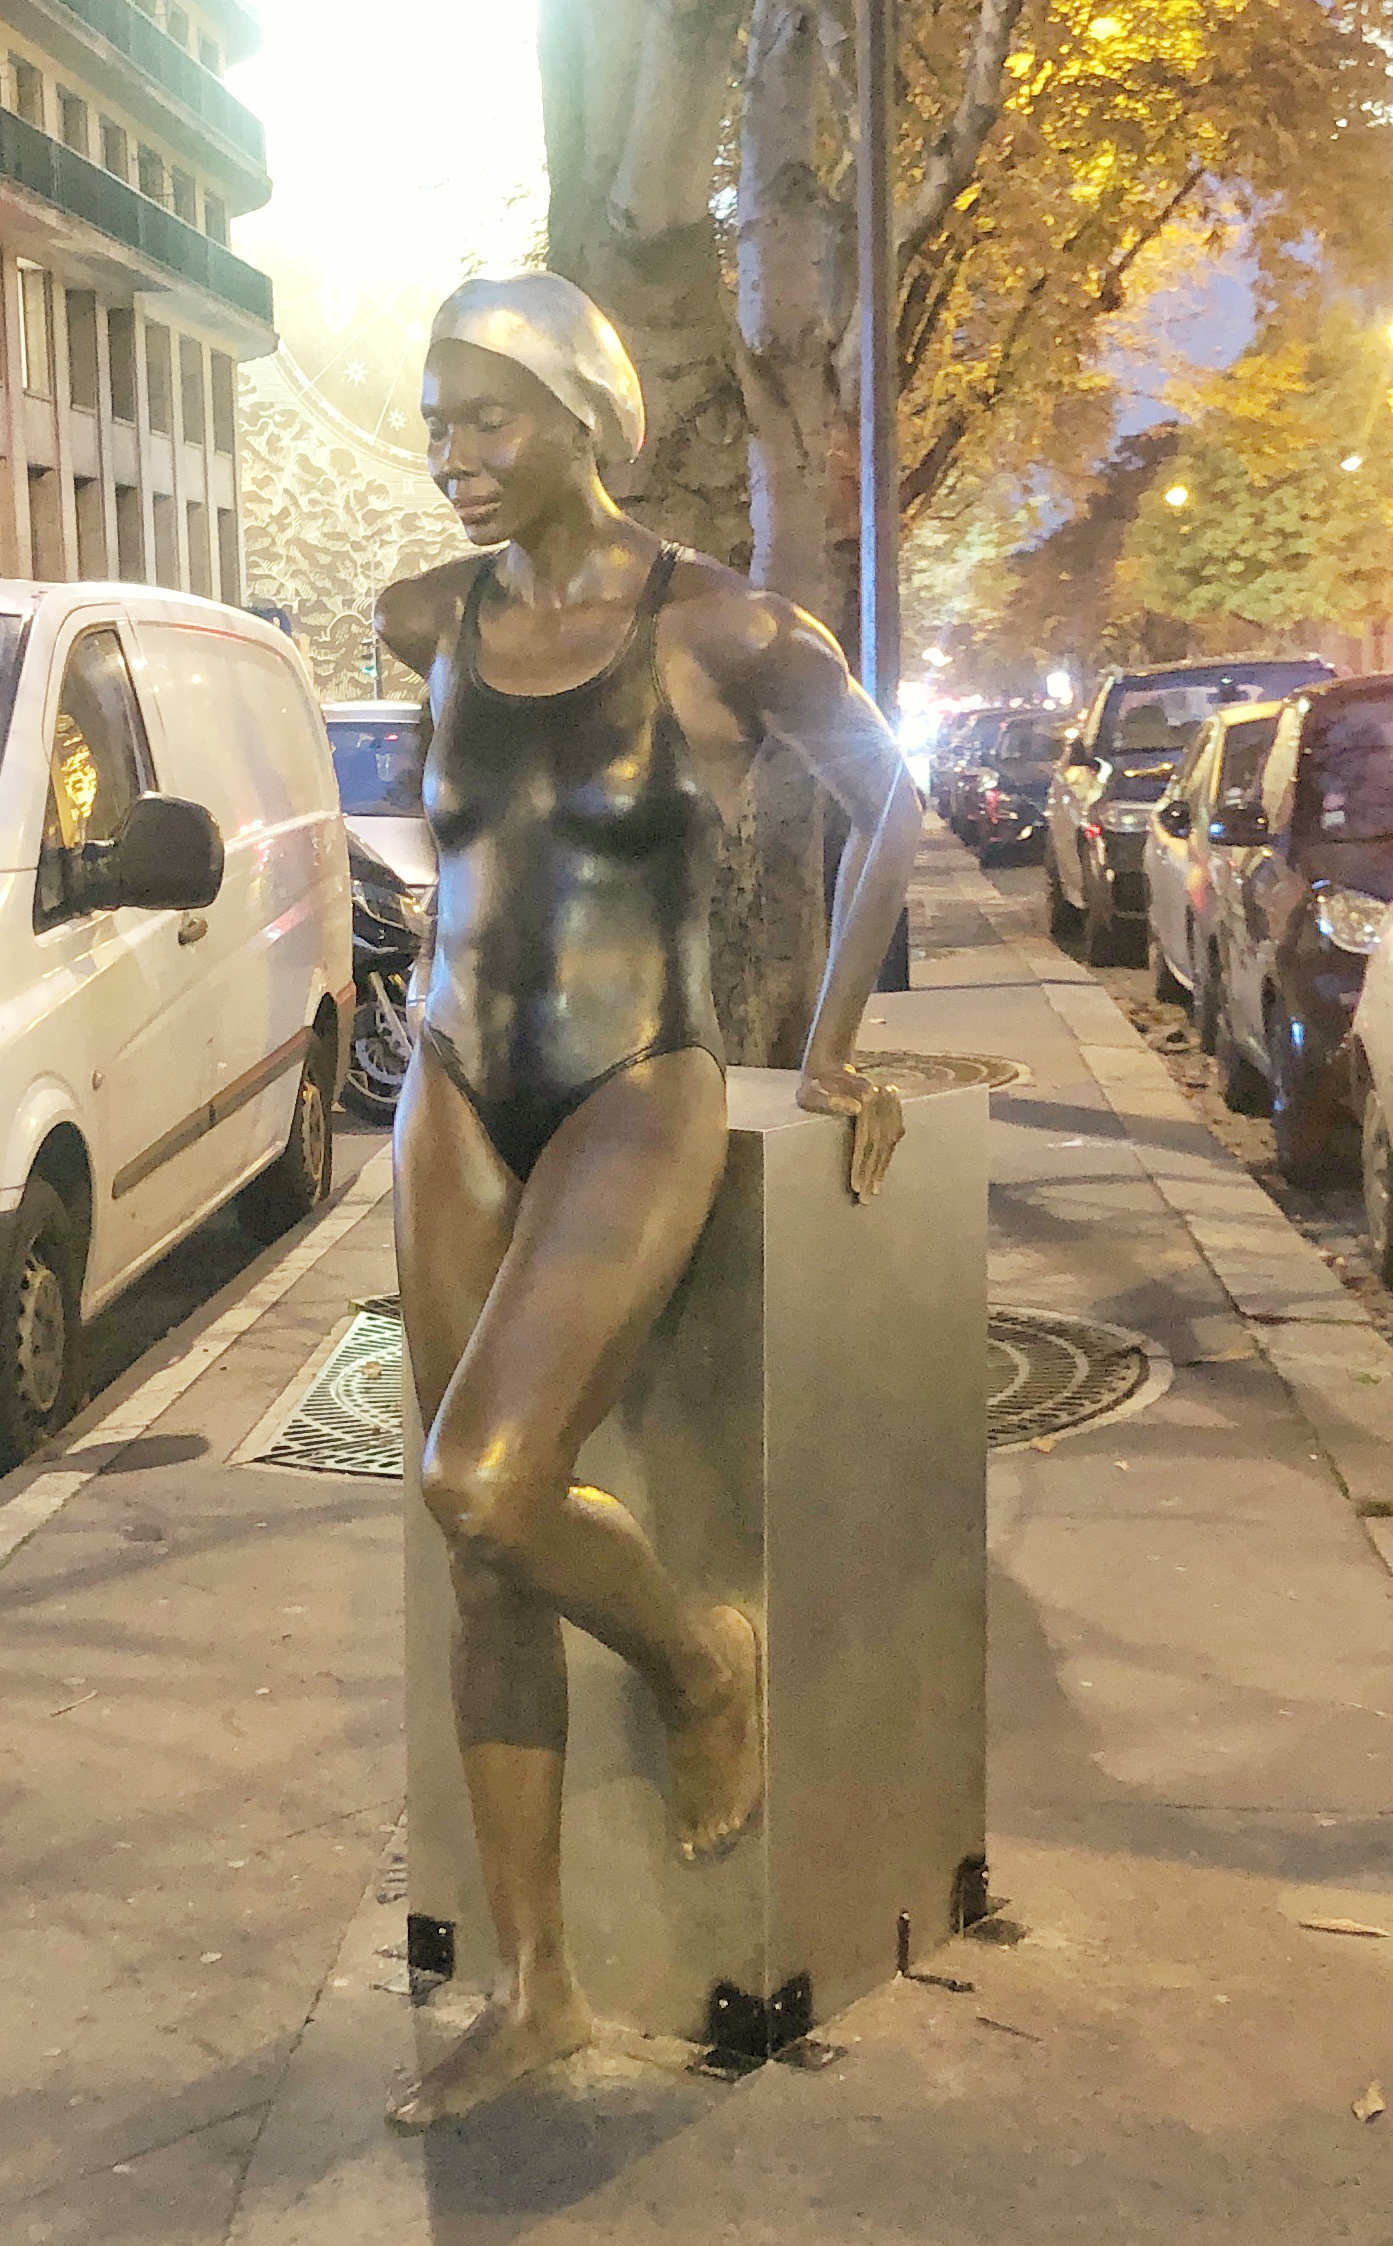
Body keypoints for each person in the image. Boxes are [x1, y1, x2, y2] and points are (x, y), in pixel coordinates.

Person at [378, 271, 920, 2126]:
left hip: (636, 1080)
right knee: (473, 1548)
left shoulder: (722, 627)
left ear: (583, 420)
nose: (451, 454)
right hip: (452, 1088)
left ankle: (702, 1660)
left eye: (486, 418)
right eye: (435, 421)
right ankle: (534, 1988)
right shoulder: (424, 618)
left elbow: (889, 795)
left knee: (486, 1478)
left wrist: (828, 1047)